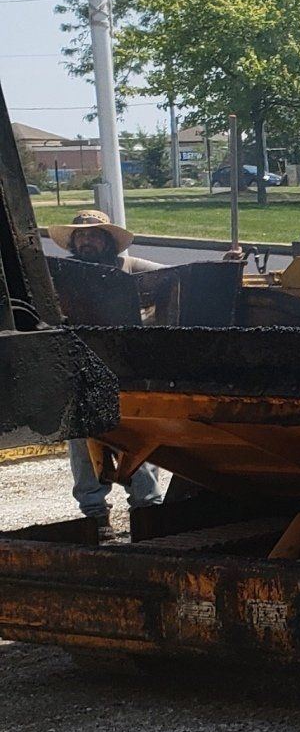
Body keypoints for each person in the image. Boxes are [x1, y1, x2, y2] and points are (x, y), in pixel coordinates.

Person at [46, 210, 164, 543]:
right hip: (79, 371)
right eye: (80, 236)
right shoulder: (61, 276)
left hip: (126, 372)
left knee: (140, 443)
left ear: (108, 241)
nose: (86, 240)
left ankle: (148, 513)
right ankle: (95, 517)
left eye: (94, 235)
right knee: (83, 447)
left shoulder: (131, 269)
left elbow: (175, 277)